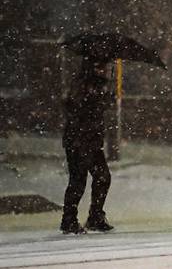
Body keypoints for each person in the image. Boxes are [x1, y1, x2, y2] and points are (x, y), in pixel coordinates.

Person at [60, 58, 115, 234]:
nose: (105, 70)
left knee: (102, 177)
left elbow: (94, 110)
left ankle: (95, 216)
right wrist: (99, 101)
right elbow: (78, 110)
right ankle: (69, 219)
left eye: (106, 66)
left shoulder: (97, 86)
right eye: (101, 66)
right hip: (79, 140)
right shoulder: (82, 85)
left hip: (91, 140)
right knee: (78, 180)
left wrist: (104, 99)